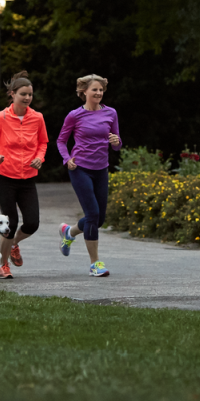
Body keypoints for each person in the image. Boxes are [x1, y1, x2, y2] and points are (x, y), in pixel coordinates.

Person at [0, 71, 46, 281]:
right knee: (10, 224)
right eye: (23, 94)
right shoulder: (1, 118)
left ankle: (13, 245)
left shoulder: (37, 118)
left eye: (30, 95)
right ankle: (3, 264)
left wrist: (39, 158)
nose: (27, 98)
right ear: (13, 94)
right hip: (6, 178)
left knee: (32, 223)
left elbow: (43, 143)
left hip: (28, 179)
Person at [55, 73, 119, 278]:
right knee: (92, 215)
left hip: (102, 169)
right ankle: (95, 264)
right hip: (80, 168)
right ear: (84, 92)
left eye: (101, 90)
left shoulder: (111, 113)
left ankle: (69, 232)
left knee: (98, 220)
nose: (99, 93)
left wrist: (116, 141)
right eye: (95, 90)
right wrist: (67, 159)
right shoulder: (74, 115)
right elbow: (61, 141)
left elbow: (117, 145)